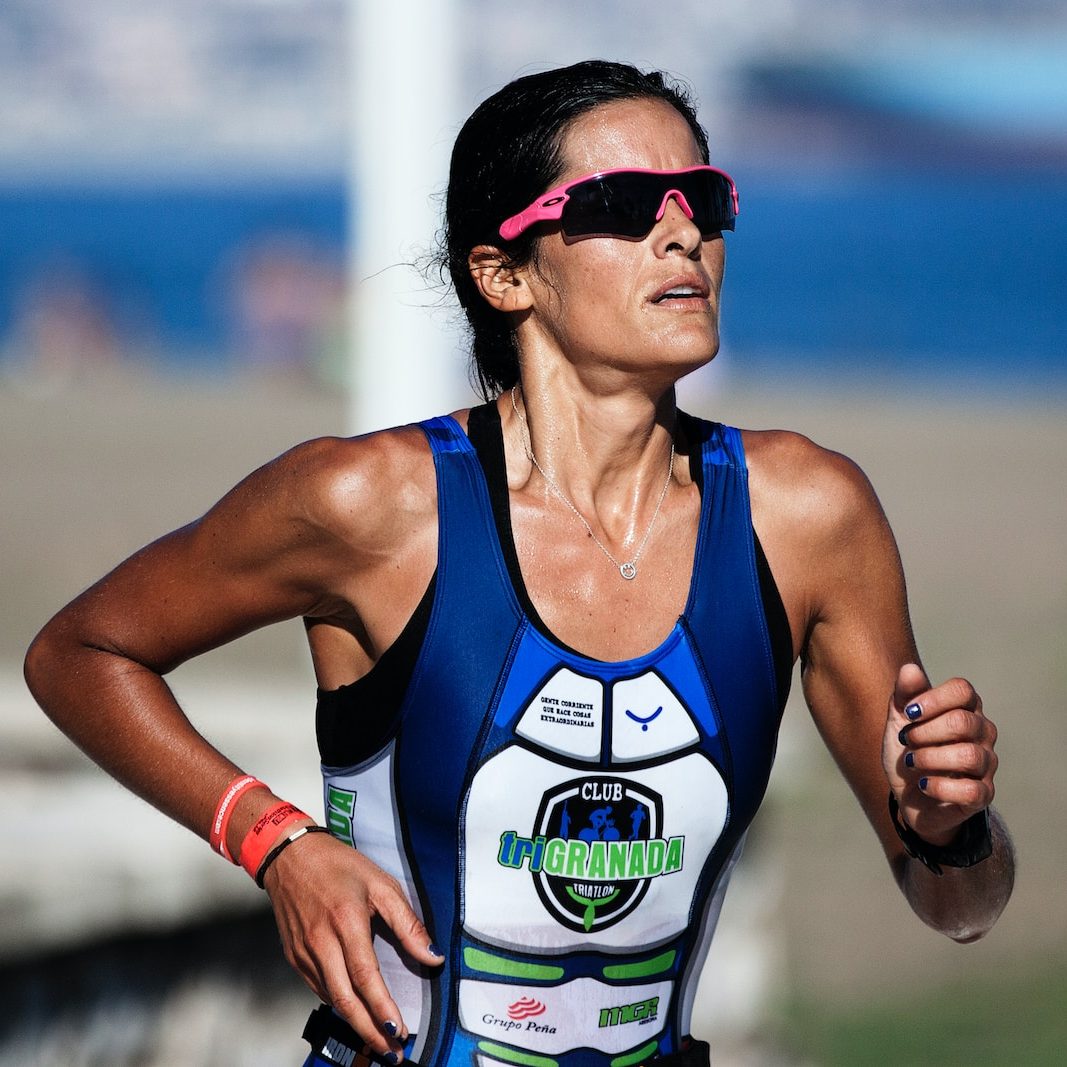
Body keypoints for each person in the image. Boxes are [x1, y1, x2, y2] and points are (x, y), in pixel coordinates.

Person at [24, 60, 1014, 1067]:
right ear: (504, 273)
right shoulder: (372, 504)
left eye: (703, 200)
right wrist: (274, 839)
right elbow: (80, 651)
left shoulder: (804, 515)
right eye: (624, 204)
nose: (682, 233)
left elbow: (961, 907)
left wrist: (951, 828)